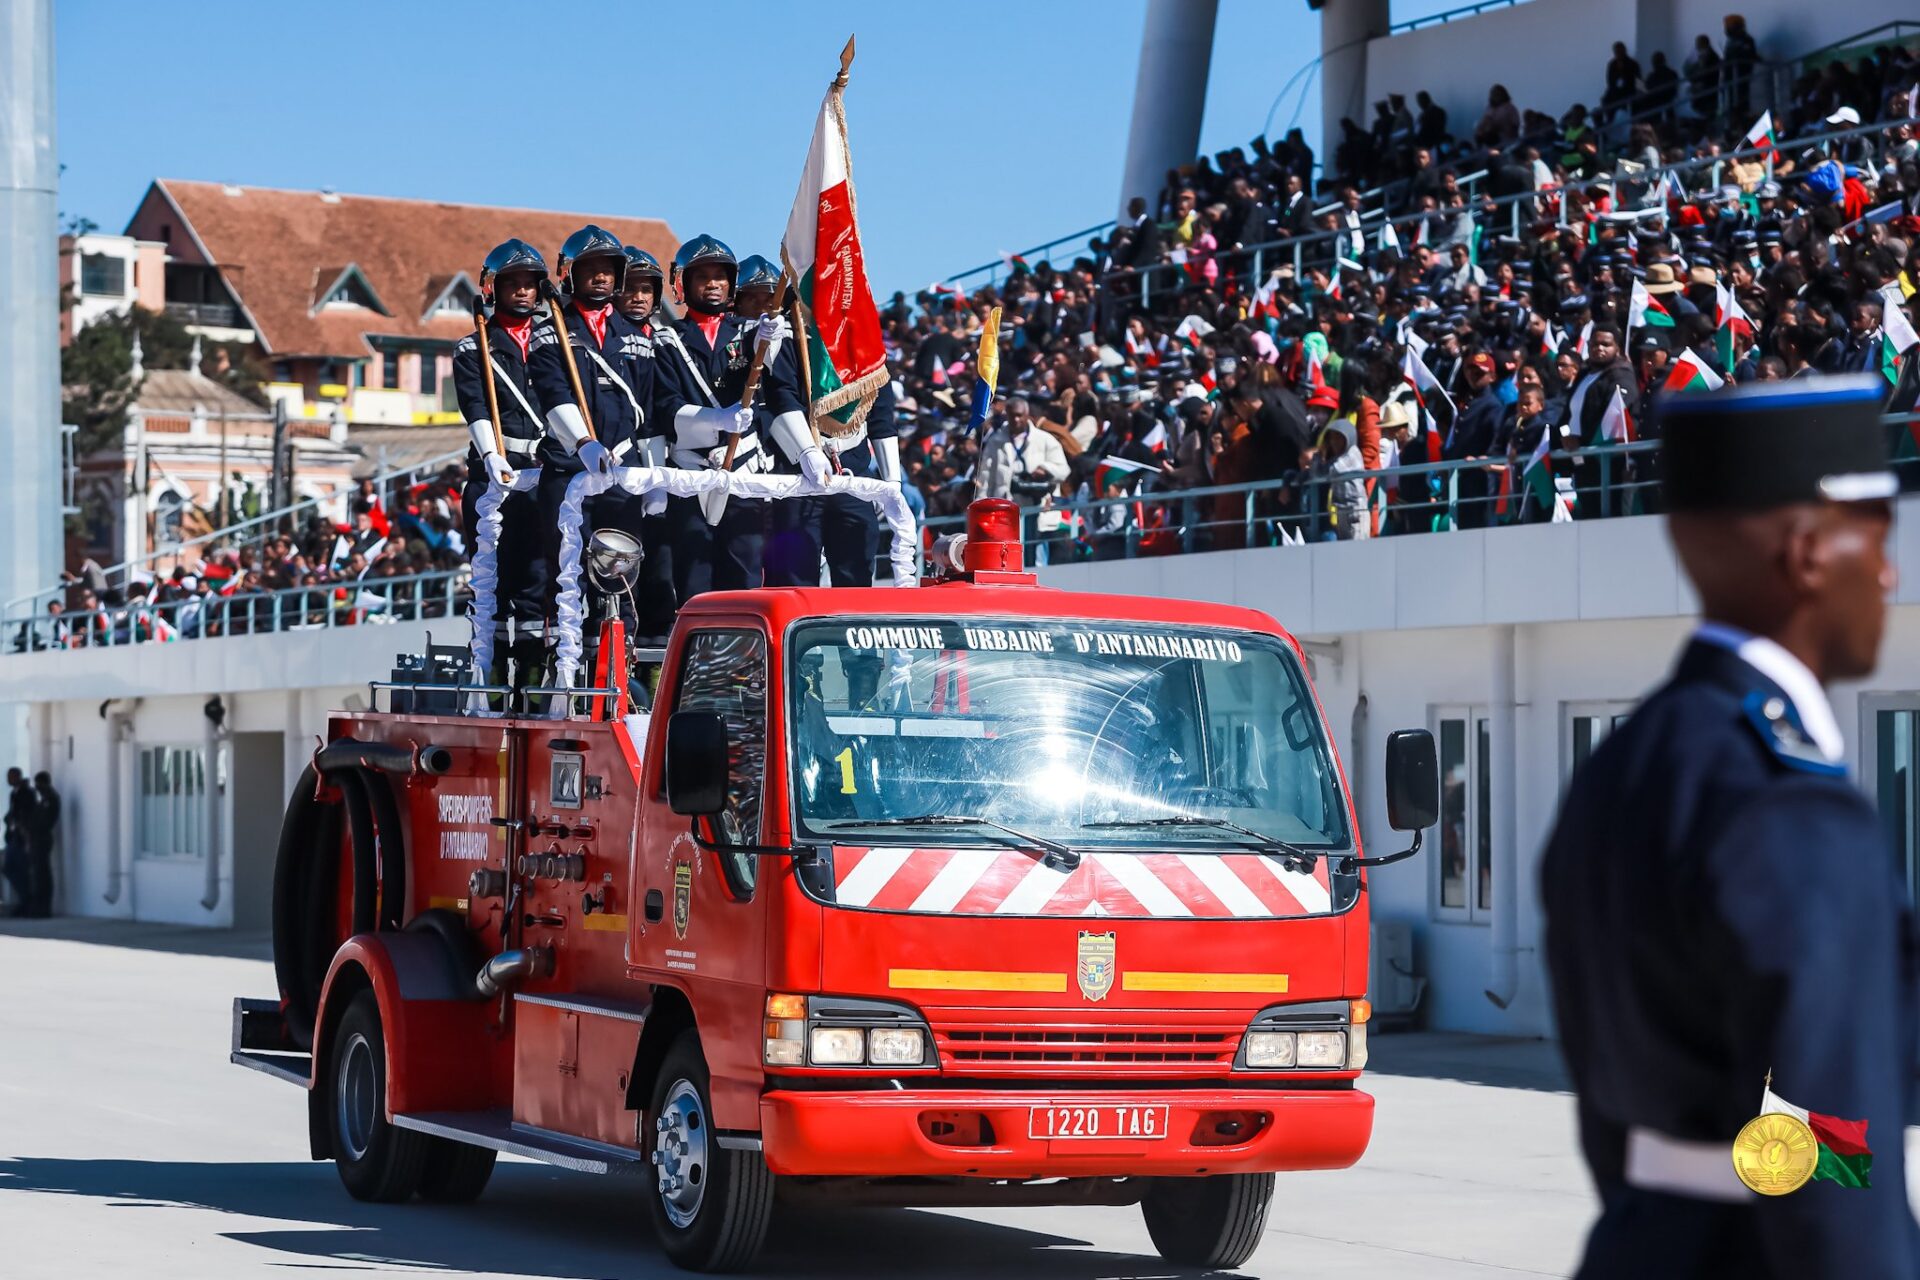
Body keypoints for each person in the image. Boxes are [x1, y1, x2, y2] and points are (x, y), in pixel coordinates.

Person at [1543, 375, 1918, 1275]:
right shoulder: (1786, 799)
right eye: (1876, 540)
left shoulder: (1622, 768)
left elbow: (1604, 1096)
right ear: (1806, 558)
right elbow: (1824, 1121)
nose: (1889, 574)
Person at [528, 224, 669, 690]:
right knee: (568, 576)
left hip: (622, 474)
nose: (602, 278)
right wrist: (582, 443)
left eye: (609, 270)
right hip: (570, 473)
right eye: (591, 270)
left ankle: (619, 674)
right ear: (571, 275)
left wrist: (651, 478)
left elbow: (649, 412)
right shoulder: (551, 330)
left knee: (621, 577)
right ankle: (565, 671)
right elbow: (552, 393)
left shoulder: (638, 335)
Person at [653, 233, 799, 601]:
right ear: (684, 283)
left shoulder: (749, 330)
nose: (713, 285)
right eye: (703, 277)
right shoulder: (667, 338)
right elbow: (666, 407)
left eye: (721, 277)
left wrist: (772, 336)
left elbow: (763, 357)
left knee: (744, 573)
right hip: (690, 470)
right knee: (694, 577)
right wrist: (717, 419)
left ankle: (746, 658)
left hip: (742, 471)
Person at [455, 238, 551, 691]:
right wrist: (492, 454)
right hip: (494, 475)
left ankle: (532, 681)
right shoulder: (472, 347)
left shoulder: (558, 343)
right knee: (492, 581)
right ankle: (490, 679)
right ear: (492, 288)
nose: (522, 292)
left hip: (543, 474)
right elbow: (474, 404)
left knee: (537, 584)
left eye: (530, 283)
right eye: (511, 283)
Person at [3, 768, 35, 916]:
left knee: (20, 870)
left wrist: (26, 835)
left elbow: (26, 814)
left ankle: (27, 903)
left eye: (11, 776)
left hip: (21, 838)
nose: (8, 779)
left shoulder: (26, 793)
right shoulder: (14, 793)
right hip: (14, 837)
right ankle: (25, 901)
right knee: (10, 868)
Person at [26, 772, 58, 917]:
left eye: (39, 784)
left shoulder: (50, 798)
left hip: (42, 839)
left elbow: (45, 821)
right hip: (37, 839)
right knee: (38, 875)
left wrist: (32, 827)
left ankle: (44, 908)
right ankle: (38, 907)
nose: (37, 787)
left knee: (43, 875)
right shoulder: (44, 798)